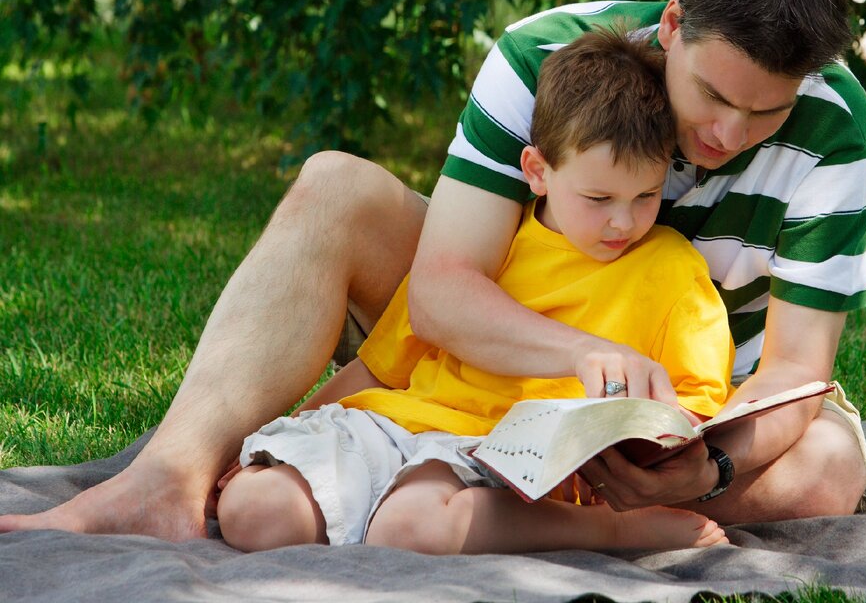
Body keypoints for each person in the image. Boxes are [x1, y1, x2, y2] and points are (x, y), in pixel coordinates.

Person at [0, 0, 866, 542]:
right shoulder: (544, 57)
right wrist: (580, 355)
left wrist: (710, 468)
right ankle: (170, 479)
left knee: (831, 469)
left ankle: (567, 514)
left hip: (684, 392)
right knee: (335, 185)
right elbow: (445, 291)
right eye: (716, 96)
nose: (728, 135)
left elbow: (798, 371)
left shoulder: (840, 130)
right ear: (676, 26)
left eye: (765, 112)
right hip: (516, 319)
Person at [216, 27, 735, 553]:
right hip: (393, 424)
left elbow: (692, 408)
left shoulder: (671, 270)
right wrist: (295, 429)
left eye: (646, 195)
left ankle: (610, 535)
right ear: (538, 171)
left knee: (409, 527)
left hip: (498, 454)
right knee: (250, 511)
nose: (622, 222)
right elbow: (380, 366)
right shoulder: (486, 244)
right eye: (598, 197)